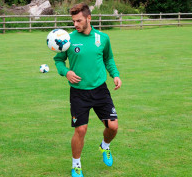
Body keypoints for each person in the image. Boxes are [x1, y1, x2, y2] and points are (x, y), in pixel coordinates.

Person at [53, 3, 122, 177]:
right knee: (81, 130)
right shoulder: (67, 39)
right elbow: (58, 60)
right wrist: (66, 72)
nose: (75, 24)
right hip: (78, 92)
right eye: (73, 21)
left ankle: (104, 146)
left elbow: (109, 59)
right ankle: (76, 165)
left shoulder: (103, 38)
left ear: (88, 18)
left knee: (113, 127)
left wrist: (115, 74)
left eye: (79, 20)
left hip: (100, 90)